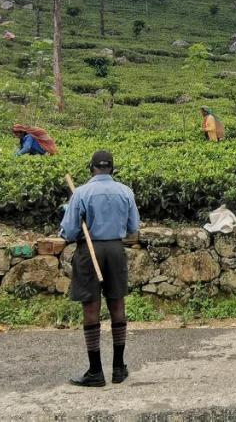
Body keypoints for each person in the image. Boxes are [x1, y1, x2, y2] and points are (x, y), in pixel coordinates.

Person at [60, 150, 141, 387]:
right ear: (112, 169)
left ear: (91, 168)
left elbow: (70, 231)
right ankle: (118, 368)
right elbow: (132, 227)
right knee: (117, 304)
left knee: (91, 307)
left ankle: (95, 372)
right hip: (115, 250)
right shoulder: (125, 192)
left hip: (89, 251)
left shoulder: (82, 193)